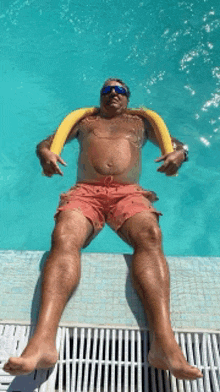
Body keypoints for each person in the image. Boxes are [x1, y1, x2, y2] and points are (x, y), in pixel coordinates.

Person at [4, 78, 202, 380]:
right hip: (86, 192)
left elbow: (178, 145)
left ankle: (165, 345)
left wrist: (180, 154)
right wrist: (44, 153)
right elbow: (45, 142)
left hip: (128, 193)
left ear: (128, 97)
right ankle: (43, 343)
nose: (113, 94)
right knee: (64, 235)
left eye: (119, 90)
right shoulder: (84, 120)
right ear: (99, 97)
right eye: (107, 90)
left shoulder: (140, 122)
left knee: (151, 235)